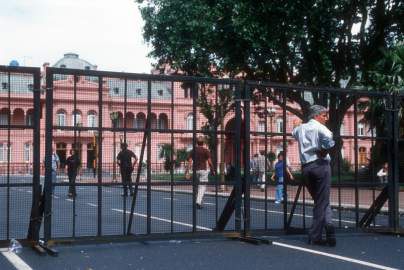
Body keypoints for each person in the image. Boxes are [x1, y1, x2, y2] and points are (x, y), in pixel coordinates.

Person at [292, 105, 336, 247]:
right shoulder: (321, 128)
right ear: (316, 116)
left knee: (321, 200)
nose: (326, 118)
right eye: (324, 115)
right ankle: (315, 235)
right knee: (321, 202)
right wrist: (323, 149)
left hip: (306, 168)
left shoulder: (301, 128)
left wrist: (296, 125)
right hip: (320, 165)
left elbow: (294, 132)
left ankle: (329, 224)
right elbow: (330, 141)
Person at [187, 136, 215, 209]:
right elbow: (209, 162)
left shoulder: (193, 150)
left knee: (196, 187)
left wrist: (187, 171)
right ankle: (198, 202)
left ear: (197, 142)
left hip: (195, 170)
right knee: (202, 187)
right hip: (203, 170)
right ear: (203, 143)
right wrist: (212, 170)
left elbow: (189, 162)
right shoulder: (206, 151)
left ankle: (198, 201)